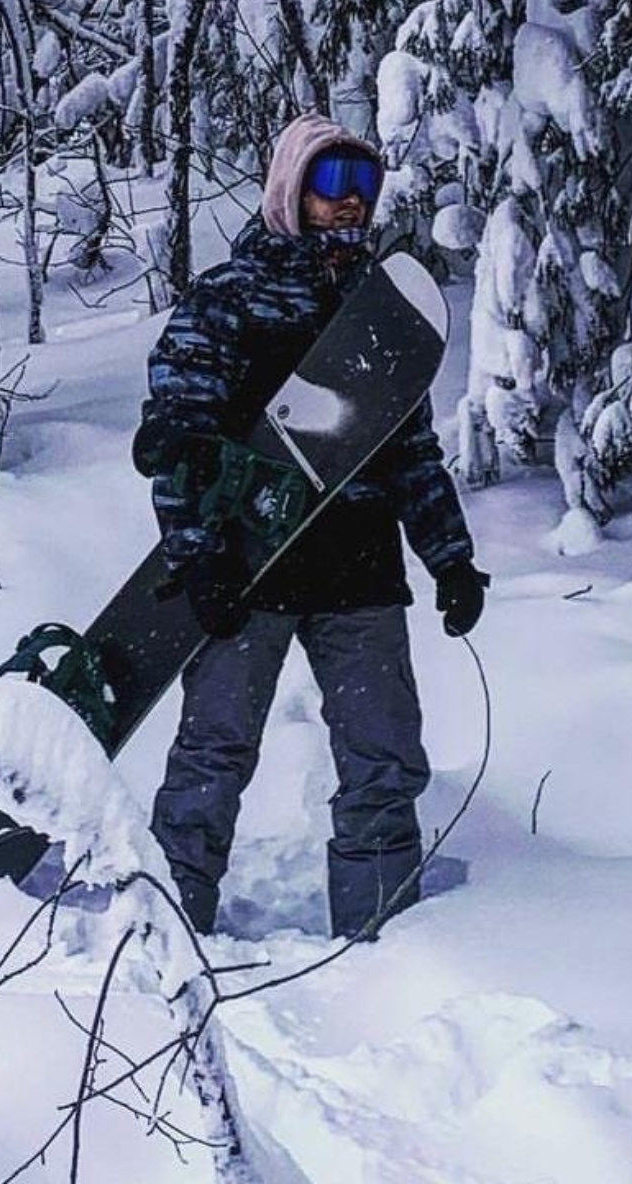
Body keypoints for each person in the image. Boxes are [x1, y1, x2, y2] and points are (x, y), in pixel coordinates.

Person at [132, 114, 487, 939]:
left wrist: (451, 560)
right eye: (332, 185)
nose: (351, 204)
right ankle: (165, 948)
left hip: (359, 574)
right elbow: (177, 439)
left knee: (384, 762)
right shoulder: (228, 298)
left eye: (363, 186)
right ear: (293, 189)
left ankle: (384, 945)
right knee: (212, 759)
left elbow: (413, 454)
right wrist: (199, 559)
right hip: (248, 571)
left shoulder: (382, 315)